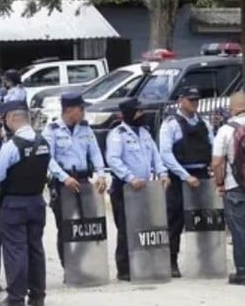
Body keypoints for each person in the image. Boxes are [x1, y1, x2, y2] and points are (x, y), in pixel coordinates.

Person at [0, 101, 51, 306]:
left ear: (12, 119)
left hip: (14, 203)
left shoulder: (12, 146)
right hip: (37, 201)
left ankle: (15, 298)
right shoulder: (44, 142)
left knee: (15, 249)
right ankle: (37, 295)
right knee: (36, 248)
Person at [105, 98, 170, 281]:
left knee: (145, 227)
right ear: (128, 114)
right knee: (126, 229)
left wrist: (162, 173)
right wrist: (129, 177)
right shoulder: (118, 134)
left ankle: (143, 264)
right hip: (125, 187)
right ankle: (124, 269)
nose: (142, 115)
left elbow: (155, 156)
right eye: (138, 112)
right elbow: (113, 159)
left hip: (146, 187)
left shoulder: (145, 133)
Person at [43, 92, 107, 265]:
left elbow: (95, 151)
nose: (84, 112)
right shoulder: (52, 130)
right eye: (81, 108)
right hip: (64, 184)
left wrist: (101, 174)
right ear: (69, 110)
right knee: (66, 227)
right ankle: (69, 267)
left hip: (84, 181)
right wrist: (64, 178)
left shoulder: (85, 128)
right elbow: (48, 158)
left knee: (89, 224)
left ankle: (81, 263)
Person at [159, 86, 214, 278]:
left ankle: (206, 260)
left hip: (202, 176)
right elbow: (165, 154)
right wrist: (184, 176)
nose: (195, 103)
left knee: (206, 219)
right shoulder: (171, 124)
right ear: (181, 100)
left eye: (196, 100)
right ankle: (171, 261)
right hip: (179, 178)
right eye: (191, 100)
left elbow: (212, 146)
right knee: (175, 221)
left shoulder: (204, 123)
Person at [211, 92, 245, 285]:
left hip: (235, 187)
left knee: (239, 230)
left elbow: (216, 162)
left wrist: (220, 183)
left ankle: (242, 271)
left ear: (232, 108)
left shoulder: (225, 130)